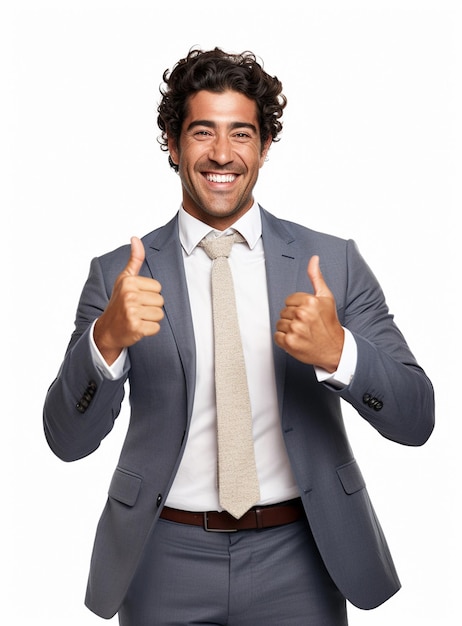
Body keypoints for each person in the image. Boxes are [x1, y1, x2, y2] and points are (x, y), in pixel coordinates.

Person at [43, 47, 435, 626]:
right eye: (203, 132)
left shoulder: (333, 264)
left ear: (264, 147)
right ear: (173, 145)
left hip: (301, 556)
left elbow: (416, 418)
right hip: (163, 556)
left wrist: (340, 354)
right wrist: (105, 342)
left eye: (241, 134)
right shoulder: (118, 275)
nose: (222, 154)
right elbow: (64, 439)